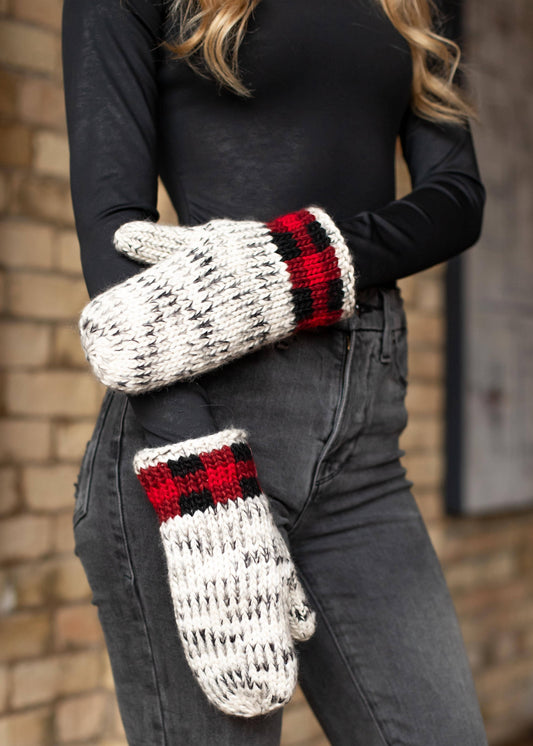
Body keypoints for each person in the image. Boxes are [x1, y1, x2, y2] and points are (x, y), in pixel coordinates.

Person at [62, 0, 489, 743]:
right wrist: (205, 493)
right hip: (196, 421)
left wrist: (295, 269)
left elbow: (456, 197)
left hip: (363, 444)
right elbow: (115, 236)